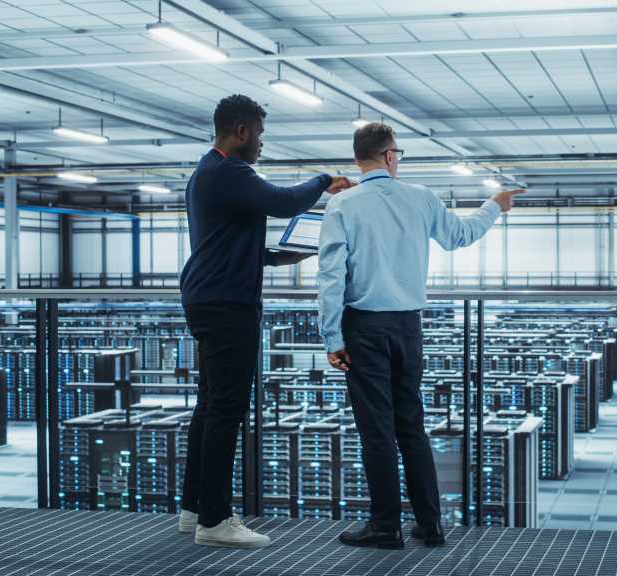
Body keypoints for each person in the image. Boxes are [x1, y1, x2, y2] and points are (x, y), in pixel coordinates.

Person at [317, 122, 523, 549]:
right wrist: (494, 206)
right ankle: (429, 525)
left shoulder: (342, 207)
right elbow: (459, 236)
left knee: (377, 432)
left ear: (359, 159)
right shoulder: (421, 197)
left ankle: (385, 525)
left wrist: (332, 337)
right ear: (390, 156)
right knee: (411, 426)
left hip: (363, 327)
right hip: (409, 327)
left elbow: (331, 276)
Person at [177, 94, 352, 549]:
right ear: (240, 130)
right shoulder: (230, 170)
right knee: (227, 410)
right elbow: (283, 201)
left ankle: (193, 507)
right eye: (259, 134)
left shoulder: (205, 172)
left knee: (210, 406)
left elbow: (226, 240)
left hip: (208, 297)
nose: (261, 144)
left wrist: (277, 257)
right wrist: (324, 180)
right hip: (228, 304)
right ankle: (215, 520)